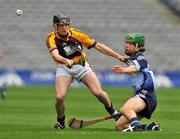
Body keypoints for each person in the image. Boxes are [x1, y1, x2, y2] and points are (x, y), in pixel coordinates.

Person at [45, 13, 125, 129]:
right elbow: (55, 56)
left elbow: (98, 46)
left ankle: (113, 112)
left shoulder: (77, 34)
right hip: (64, 68)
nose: (64, 28)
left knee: (98, 93)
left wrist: (118, 56)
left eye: (67, 25)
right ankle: (60, 121)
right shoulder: (51, 38)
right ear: (54, 26)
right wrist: (65, 60)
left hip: (81, 66)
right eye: (61, 25)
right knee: (59, 97)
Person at [112, 33, 160, 132]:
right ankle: (149, 127)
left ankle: (136, 126)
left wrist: (123, 70)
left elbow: (134, 68)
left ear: (138, 47)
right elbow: (131, 63)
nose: (126, 45)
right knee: (119, 125)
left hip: (146, 96)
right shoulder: (133, 59)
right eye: (126, 43)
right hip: (141, 95)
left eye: (130, 43)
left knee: (125, 109)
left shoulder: (140, 58)